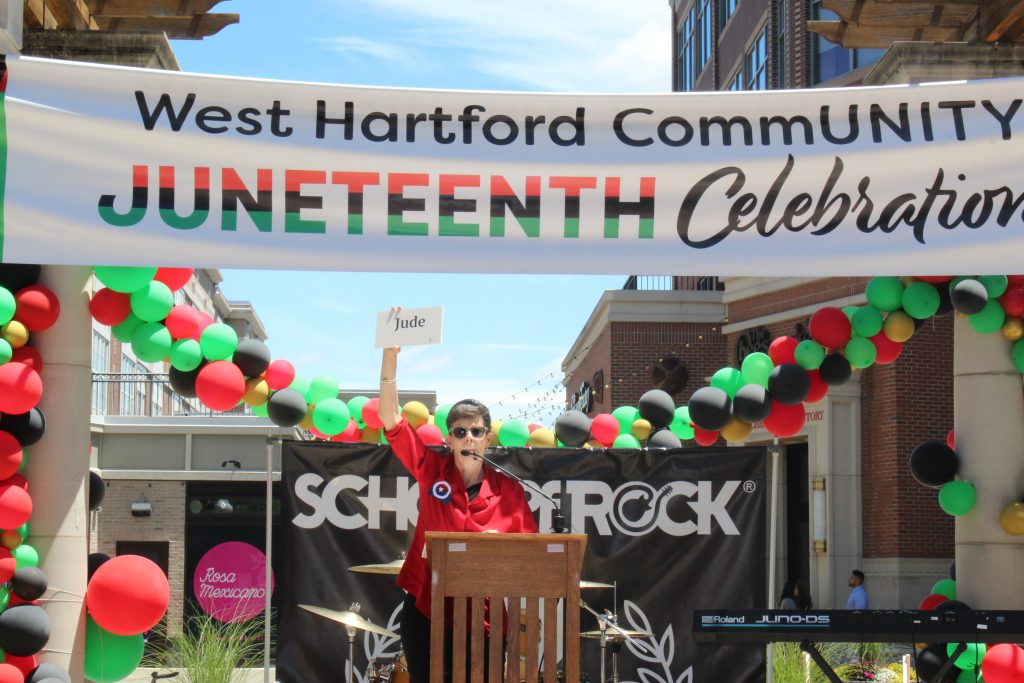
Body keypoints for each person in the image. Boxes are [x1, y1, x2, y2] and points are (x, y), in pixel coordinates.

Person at [378, 344, 539, 683]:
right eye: (460, 431)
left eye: (477, 431)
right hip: (426, 609)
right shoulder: (431, 471)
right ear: (448, 439)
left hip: (484, 617)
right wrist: (390, 358)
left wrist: (501, 549)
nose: (469, 437)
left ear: (487, 439)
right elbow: (392, 422)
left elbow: (530, 557)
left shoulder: (509, 492)